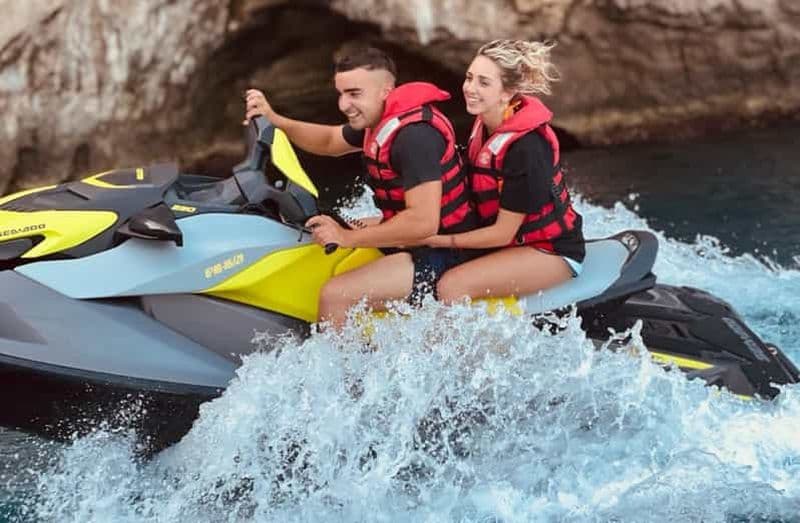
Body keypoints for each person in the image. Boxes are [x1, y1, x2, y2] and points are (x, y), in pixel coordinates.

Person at [244, 46, 475, 328]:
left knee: (336, 296)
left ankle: (345, 373)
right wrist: (276, 120)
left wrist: (347, 237)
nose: (343, 105)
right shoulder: (379, 121)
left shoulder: (414, 139)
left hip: (444, 250)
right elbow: (329, 141)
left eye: (354, 94)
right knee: (317, 236)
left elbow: (424, 223)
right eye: (341, 93)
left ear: (385, 91)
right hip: (412, 236)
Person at [424, 39, 585, 303]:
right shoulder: (484, 123)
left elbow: (503, 233)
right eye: (469, 78)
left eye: (483, 83)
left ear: (507, 92)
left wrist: (437, 239)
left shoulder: (527, 148)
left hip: (550, 251)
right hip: (511, 244)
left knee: (451, 286)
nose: (470, 89)